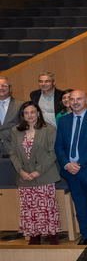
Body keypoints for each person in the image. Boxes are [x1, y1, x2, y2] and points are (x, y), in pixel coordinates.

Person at [54, 90, 87, 245]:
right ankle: (86, 234)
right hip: (70, 171)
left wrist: (78, 163)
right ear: (68, 102)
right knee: (79, 204)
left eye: (79, 98)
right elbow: (58, 146)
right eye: (72, 99)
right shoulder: (64, 120)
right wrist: (67, 164)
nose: (75, 102)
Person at [9, 101, 61, 245]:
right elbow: (12, 153)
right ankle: (33, 236)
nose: (30, 115)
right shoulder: (16, 131)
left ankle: (52, 236)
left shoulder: (49, 129)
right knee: (29, 208)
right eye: (26, 113)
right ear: (23, 115)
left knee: (47, 207)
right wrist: (21, 171)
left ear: (38, 113)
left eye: (33, 112)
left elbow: (52, 153)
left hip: (44, 174)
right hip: (24, 176)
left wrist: (38, 172)